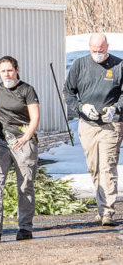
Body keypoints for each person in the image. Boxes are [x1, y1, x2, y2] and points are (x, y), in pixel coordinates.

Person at [0, 56, 40, 242]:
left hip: (23, 141)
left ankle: (25, 227)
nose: (7, 74)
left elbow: (35, 118)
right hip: (0, 142)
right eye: (3, 71)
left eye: (10, 70)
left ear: (17, 69)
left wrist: (26, 138)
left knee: (25, 185)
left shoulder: (27, 90)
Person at [63, 33, 123, 226]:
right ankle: (101, 206)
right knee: (94, 167)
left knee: (108, 166)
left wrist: (115, 108)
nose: (98, 54)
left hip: (111, 124)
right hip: (88, 124)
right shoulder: (80, 65)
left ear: (107, 47)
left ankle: (108, 211)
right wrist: (81, 107)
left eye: (101, 51)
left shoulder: (118, 65)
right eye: (94, 51)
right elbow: (68, 92)